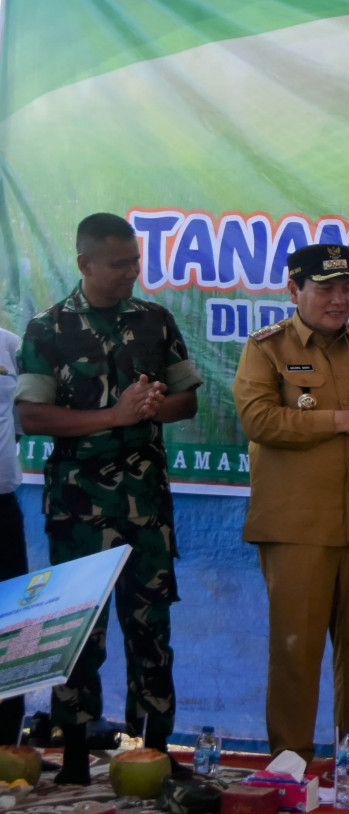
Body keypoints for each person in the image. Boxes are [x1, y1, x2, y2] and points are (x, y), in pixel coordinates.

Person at [15, 212, 202, 784]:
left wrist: (151, 408)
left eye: (136, 262)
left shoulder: (155, 320)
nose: (130, 273)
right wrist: (113, 415)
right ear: (84, 264)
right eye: (119, 264)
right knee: (77, 630)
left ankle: (154, 748)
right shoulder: (49, 329)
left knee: (152, 628)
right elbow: (31, 415)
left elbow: (187, 399)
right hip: (79, 509)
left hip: (147, 507)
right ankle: (74, 752)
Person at [232, 243, 349, 770]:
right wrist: (342, 420)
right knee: (296, 649)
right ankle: (291, 759)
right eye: (325, 288)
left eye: (346, 288)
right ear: (294, 291)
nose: (340, 300)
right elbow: (259, 421)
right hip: (297, 528)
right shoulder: (265, 348)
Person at [0, 327, 28, 747]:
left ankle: (6, 745)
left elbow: (19, 424)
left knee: (12, 629)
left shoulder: (8, 344)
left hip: (1, 505)